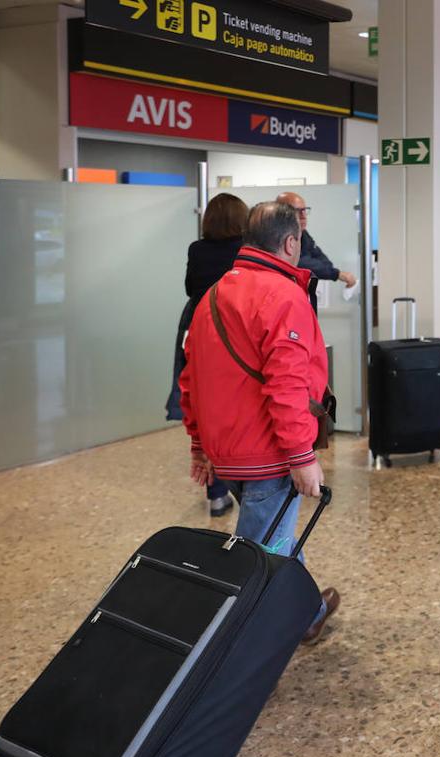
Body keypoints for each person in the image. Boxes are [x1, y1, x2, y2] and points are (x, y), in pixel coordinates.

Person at [180, 201, 340, 643]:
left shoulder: (211, 296)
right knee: (255, 559)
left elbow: (190, 379)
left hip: (228, 450)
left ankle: (309, 613)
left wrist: (199, 444)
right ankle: (231, 654)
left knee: (275, 537)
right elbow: (287, 384)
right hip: (268, 452)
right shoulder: (283, 295)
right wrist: (301, 455)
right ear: (291, 243)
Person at [165, 192, 247, 517]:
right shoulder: (245, 249)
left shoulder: (196, 249)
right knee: (236, 406)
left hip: (197, 327)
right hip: (233, 330)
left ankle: (216, 494)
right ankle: (243, 480)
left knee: (203, 406)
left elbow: (190, 287)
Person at [275, 192, 358, 314]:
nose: (303, 216)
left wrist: (332, 271)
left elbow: (321, 259)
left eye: (304, 210)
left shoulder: (303, 234)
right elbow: (301, 262)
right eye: (298, 211)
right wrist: (336, 273)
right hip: (283, 304)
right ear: (282, 214)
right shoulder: (276, 236)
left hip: (301, 302)